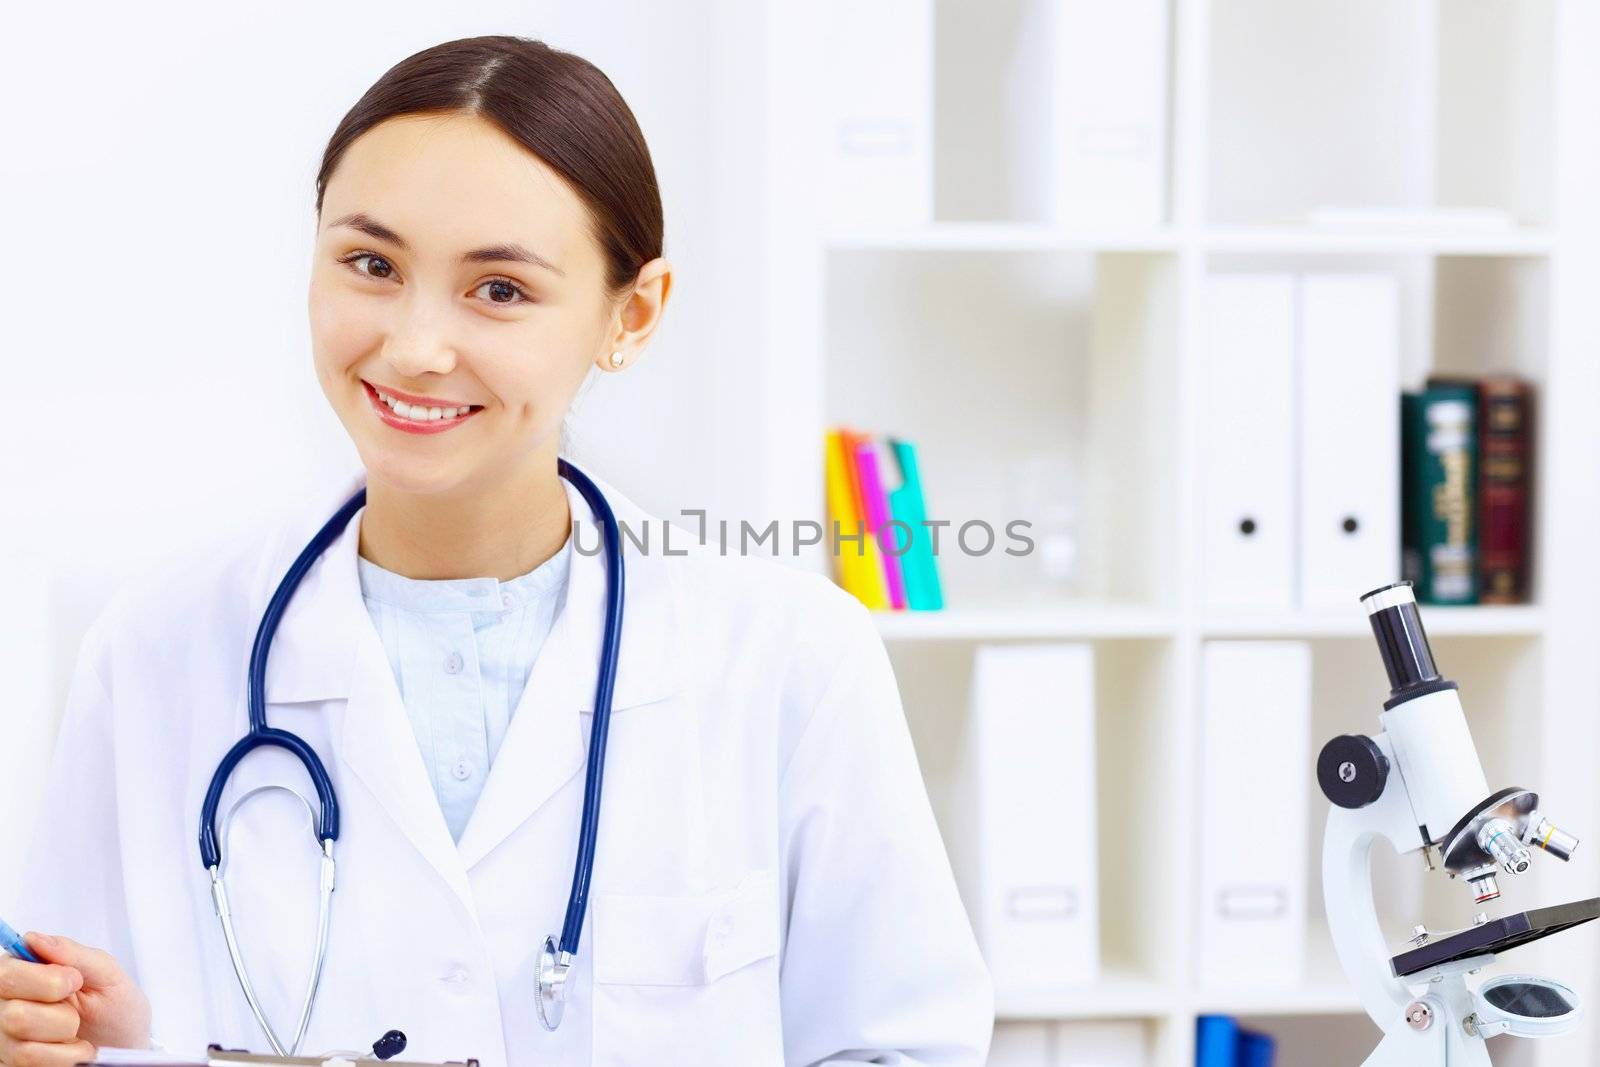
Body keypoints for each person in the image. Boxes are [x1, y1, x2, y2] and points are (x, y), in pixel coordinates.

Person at [0, 34, 993, 1067]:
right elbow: (82, 1023)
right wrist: (91, 1044)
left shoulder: (788, 654)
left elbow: (904, 1045)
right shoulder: (157, 651)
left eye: (500, 290)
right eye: (371, 264)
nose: (416, 344)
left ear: (633, 312)